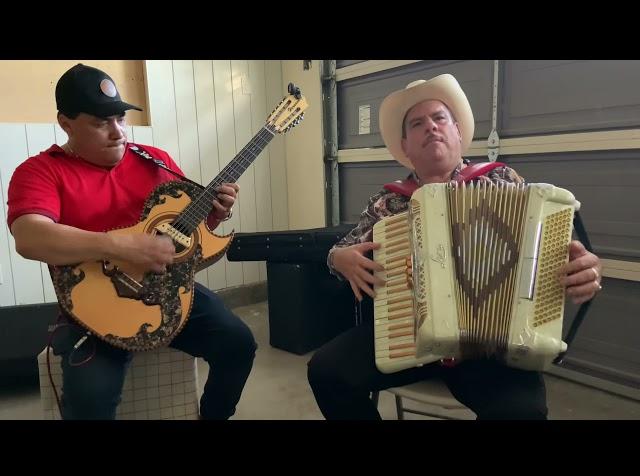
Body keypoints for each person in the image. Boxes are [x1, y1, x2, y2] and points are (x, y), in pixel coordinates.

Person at [307, 74, 603, 420]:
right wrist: (338, 257)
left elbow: (556, 249)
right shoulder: (386, 202)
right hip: (407, 339)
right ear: (405, 146)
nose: (430, 127)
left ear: (458, 133)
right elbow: (343, 249)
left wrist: (583, 266)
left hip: (489, 353)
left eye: (439, 118)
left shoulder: (502, 182)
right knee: (326, 372)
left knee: (522, 413)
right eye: (418, 123)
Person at [7, 63, 257, 420]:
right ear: (66, 123)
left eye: (121, 118)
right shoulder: (40, 171)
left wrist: (215, 213)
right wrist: (121, 246)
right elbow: (29, 237)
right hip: (94, 303)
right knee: (90, 398)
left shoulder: (156, 160)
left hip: (170, 288)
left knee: (239, 343)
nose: (118, 132)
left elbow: (184, 228)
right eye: (99, 122)